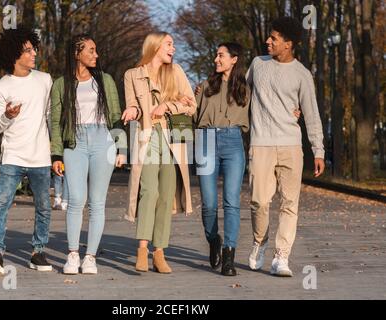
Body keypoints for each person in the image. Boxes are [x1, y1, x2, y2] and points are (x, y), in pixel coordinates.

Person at [246, 17, 325, 277]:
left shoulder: (302, 74)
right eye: (269, 37)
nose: (268, 41)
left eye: (274, 39)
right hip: (261, 144)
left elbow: (311, 114)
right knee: (259, 201)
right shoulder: (257, 65)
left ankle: (282, 256)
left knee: (290, 204)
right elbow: (240, 94)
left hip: (291, 145)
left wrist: (318, 150)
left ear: (288, 44)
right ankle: (260, 241)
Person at [121, 32, 197, 274]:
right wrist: (132, 111)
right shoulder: (132, 75)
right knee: (149, 191)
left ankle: (159, 253)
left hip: (173, 139)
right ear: (154, 46)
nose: (173, 48)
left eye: (173, 44)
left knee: (166, 195)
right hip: (148, 137)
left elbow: (191, 105)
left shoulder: (176, 72)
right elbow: (132, 103)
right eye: (169, 44)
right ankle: (142, 249)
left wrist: (168, 105)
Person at [51, 34, 125, 275]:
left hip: (103, 141)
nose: (96, 54)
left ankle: (90, 257)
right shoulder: (61, 84)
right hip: (75, 143)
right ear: (77, 54)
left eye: (96, 50)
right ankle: (73, 255)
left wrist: (121, 148)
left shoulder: (105, 80)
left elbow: (115, 114)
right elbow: (54, 121)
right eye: (91, 50)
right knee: (75, 200)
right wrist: (56, 155)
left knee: (97, 203)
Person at [0, 27, 53, 276]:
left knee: (43, 205)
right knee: (2, 203)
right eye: (28, 50)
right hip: (12, 156)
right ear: (15, 54)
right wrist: (7, 116)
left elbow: (48, 116)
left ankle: (37, 252)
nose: (34, 53)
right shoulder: (1, 88)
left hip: (41, 156)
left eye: (33, 48)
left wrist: (56, 152)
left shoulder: (45, 80)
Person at [194, 42, 250, 276]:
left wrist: (292, 111)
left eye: (221, 55)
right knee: (208, 203)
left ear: (234, 59)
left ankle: (229, 256)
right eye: (216, 55)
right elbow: (191, 115)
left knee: (231, 201)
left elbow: (264, 110)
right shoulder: (205, 87)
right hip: (206, 140)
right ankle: (213, 239)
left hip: (233, 141)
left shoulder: (245, 89)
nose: (216, 59)